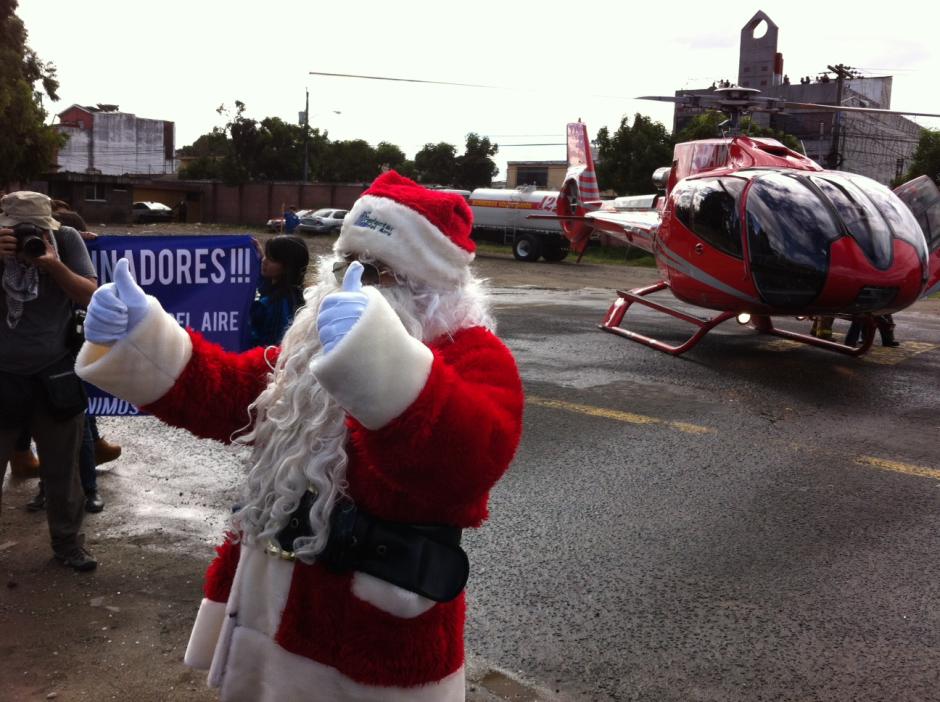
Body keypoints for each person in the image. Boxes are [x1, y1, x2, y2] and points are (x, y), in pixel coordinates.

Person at [77, 171, 523, 700]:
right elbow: (233, 393)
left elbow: (467, 465)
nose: (350, 280)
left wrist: (378, 364)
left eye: (375, 271)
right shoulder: (311, 344)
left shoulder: (472, 353)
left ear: (425, 286)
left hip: (367, 626)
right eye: (344, 263)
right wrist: (142, 337)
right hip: (270, 601)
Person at [0, 191, 98, 572]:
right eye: (18, 230)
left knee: (62, 470)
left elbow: (91, 294)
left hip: (54, 371)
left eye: (36, 230)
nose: (27, 237)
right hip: (3, 373)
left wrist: (54, 266)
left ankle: (68, 544)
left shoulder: (67, 240)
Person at [248, 235, 309, 348]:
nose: (264, 261)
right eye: (265, 255)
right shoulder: (295, 293)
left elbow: (266, 344)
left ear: (287, 267)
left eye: (272, 259)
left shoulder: (275, 305)